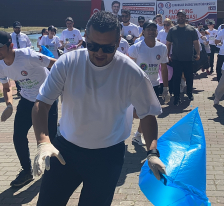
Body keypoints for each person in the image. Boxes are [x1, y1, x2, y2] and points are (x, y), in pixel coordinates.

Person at [31, 11, 166, 205]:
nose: (100, 53)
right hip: (66, 151)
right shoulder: (67, 63)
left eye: (108, 48)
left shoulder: (132, 73)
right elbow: (42, 103)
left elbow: (148, 115)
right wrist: (43, 142)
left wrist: (152, 152)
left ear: (118, 40)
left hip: (107, 157)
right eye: (93, 46)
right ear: (85, 37)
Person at [0, 30, 58, 187]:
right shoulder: (0, 65)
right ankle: (27, 171)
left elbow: (55, 64)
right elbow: (6, 88)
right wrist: (8, 105)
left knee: (51, 137)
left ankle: (55, 172)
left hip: (47, 97)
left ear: (10, 45)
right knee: (18, 136)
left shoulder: (28, 55)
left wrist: (60, 85)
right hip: (27, 99)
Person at [128, 20, 170, 146]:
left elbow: (163, 68)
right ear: (143, 32)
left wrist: (166, 88)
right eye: (149, 29)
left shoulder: (162, 48)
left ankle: (137, 135)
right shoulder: (136, 48)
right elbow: (128, 67)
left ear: (157, 31)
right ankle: (125, 120)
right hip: (137, 86)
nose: (151, 31)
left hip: (154, 85)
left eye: (154, 29)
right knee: (138, 113)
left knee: (150, 113)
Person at [166, 10, 200, 105]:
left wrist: (198, 53)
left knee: (189, 78)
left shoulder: (191, 29)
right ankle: (176, 97)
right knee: (176, 79)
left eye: (182, 16)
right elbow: (168, 44)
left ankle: (189, 93)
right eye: (179, 16)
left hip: (189, 58)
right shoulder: (173, 30)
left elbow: (196, 42)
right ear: (177, 17)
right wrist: (167, 55)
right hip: (176, 58)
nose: (181, 18)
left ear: (185, 17)